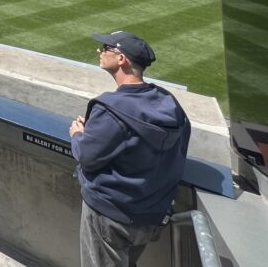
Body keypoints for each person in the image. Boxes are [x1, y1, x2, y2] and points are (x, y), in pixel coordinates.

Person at [69, 30, 191, 267]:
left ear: (121, 59)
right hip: (151, 214)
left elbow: (86, 156)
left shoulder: (111, 107)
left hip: (110, 214)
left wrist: (78, 135)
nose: (99, 51)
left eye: (105, 48)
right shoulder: (169, 102)